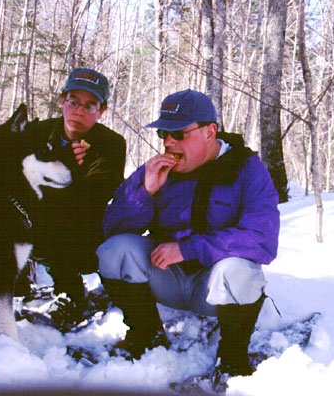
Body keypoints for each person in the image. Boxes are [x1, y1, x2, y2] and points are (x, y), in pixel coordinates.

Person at [96, 89, 279, 389]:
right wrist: (145, 193)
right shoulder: (158, 169)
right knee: (115, 251)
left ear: (209, 132)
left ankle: (232, 359)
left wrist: (188, 248)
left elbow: (262, 240)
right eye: (164, 134)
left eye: (178, 134)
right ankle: (147, 339)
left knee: (239, 270)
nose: (169, 142)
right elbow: (111, 230)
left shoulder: (248, 169)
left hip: (214, 289)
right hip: (168, 278)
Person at [26, 68, 126, 331]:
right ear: (62, 100)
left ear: (101, 110)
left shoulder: (111, 144)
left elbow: (92, 198)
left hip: (85, 237)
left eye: (89, 105)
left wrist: (58, 171)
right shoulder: (35, 133)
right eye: (73, 102)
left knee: (62, 217)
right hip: (32, 222)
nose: (79, 112)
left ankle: (71, 292)